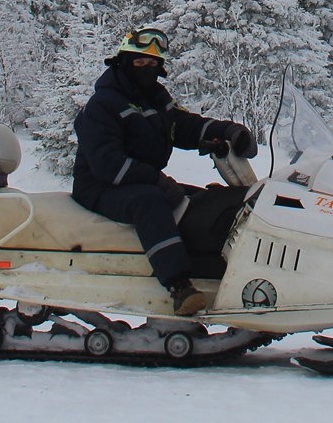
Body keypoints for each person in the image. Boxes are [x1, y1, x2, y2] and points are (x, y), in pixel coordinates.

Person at [72, 27, 258, 316]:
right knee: (151, 202)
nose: (147, 69)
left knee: (206, 202)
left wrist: (228, 131)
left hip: (139, 178)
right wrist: (156, 180)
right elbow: (107, 164)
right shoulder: (103, 105)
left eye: (153, 64)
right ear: (123, 61)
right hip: (99, 185)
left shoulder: (154, 98)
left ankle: (222, 266)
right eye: (139, 62)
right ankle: (179, 286)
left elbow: (184, 125)